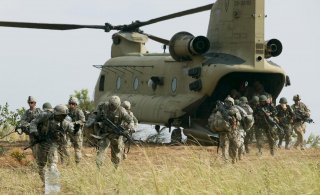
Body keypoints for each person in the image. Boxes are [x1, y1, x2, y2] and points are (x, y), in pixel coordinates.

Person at [29, 104, 74, 182]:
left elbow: (71, 128)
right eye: (61, 116)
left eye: (64, 116)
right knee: (41, 165)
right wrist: (34, 132)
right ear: (56, 114)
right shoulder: (45, 115)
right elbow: (33, 122)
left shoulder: (64, 122)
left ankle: (53, 185)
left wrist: (73, 128)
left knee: (52, 164)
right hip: (42, 142)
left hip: (54, 143)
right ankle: (45, 183)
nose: (63, 118)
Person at [94, 95, 134, 168]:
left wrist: (129, 129)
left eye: (114, 106)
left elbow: (131, 120)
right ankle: (98, 169)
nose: (112, 107)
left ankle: (115, 170)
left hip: (116, 135)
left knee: (116, 155)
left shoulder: (122, 111)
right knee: (101, 152)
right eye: (111, 105)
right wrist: (98, 119)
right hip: (105, 134)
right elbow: (95, 115)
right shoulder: (104, 106)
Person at [66, 97, 86, 164]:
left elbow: (83, 120)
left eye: (73, 104)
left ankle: (78, 164)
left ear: (76, 104)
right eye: (70, 103)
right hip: (68, 133)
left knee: (77, 150)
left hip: (77, 132)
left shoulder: (79, 111)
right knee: (66, 148)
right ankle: (67, 162)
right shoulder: (67, 111)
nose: (71, 105)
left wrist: (74, 123)